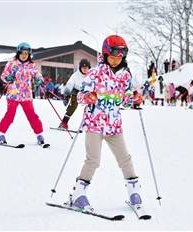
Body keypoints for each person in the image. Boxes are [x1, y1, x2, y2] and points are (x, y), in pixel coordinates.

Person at [66, 35, 144, 212]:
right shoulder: (95, 73)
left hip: (114, 125)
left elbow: (125, 99)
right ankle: (78, 194)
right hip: (94, 124)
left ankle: (134, 192)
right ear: (105, 54)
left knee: (125, 159)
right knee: (93, 160)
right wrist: (88, 97)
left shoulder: (125, 75)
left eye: (120, 57)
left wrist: (134, 100)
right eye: (113, 56)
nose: (116, 60)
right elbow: (79, 95)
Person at [0, 42, 46, 145]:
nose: (24, 55)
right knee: (10, 115)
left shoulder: (31, 65)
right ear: (18, 53)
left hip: (26, 95)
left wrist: (39, 79)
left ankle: (39, 134)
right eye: (22, 52)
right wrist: (7, 78)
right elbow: (4, 76)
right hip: (13, 93)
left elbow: (37, 74)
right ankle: (0, 134)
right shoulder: (12, 63)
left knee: (32, 116)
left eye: (26, 53)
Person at [59, 59, 91, 129]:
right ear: (80, 68)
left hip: (87, 92)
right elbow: (69, 85)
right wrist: (66, 96)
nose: (85, 69)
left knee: (91, 107)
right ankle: (64, 122)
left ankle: (89, 124)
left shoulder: (91, 75)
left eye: (86, 68)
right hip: (76, 91)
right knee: (73, 106)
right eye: (83, 68)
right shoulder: (75, 75)